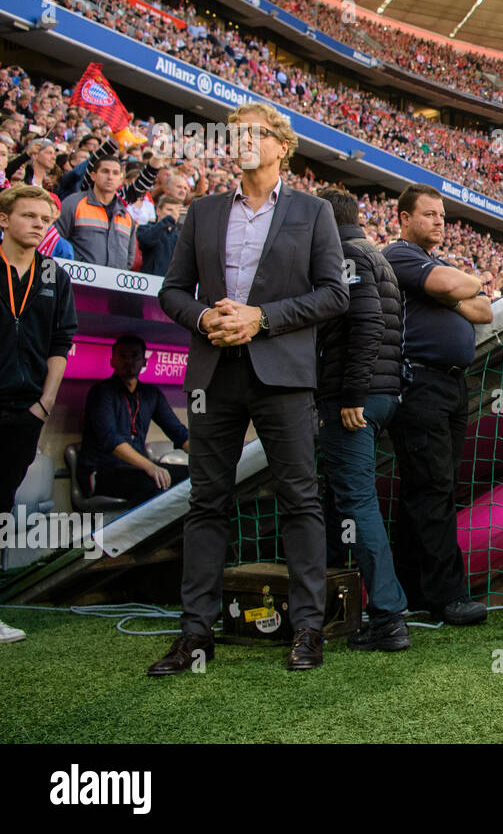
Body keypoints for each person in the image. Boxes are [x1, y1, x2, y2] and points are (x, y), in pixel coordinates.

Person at [151, 103, 347, 675]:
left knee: (300, 498)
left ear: (282, 146)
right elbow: (172, 291)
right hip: (214, 372)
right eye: (234, 135)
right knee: (206, 501)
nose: (242, 142)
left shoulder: (313, 213)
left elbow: (334, 295)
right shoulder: (205, 211)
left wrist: (262, 318)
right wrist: (201, 319)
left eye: (254, 134)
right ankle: (195, 633)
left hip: (281, 373)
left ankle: (308, 629)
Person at [383, 184, 491, 626]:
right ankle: (448, 597)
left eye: (442, 216)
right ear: (404, 218)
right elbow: (462, 286)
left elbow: (484, 310)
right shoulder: (398, 254)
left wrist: (455, 292)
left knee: (429, 489)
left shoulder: (434, 263)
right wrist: (458, 289)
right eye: (429, 215)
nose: (439, 222)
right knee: (432, 489)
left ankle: (413, 590)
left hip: (449, 384)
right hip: (419, 382)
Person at [315, 188, 410, 653]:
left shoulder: (347, 256)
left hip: (356, 398)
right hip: (382, 393)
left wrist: (352, 392)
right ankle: (334, 602)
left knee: (357, 500)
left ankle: (389, 618)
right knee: (341, 497)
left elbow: (368, 324)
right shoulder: (375, 256)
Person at [0, 184, 76, 646]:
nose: (36, 224)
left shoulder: (54, 275)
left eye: (44, 219)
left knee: (1, 506)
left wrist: (45, 402)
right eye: (27, 215)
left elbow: (61, 343)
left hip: (24, 412)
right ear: (4, 220)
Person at [79, 334, 189, 505]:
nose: (128, 361)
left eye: (135, 356)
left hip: (135, 470)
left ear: (144, 362)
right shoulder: (101, 392)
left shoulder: (151, 394)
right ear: (112, 361)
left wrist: (206, 460)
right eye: (122, 356)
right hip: (102, 472)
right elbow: (111, 440)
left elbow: (178, 433)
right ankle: (138, 531)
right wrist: (150, 466)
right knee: (154, 484)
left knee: (193, 477)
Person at [55, 155, 137, 268]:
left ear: (121, 180)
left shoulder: (126, 216)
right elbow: (55, 242)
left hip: (113, 284)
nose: (110, 177)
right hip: (76, 281)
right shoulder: (73, 204)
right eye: (105, 171)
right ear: (93, 176)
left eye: (115, 173)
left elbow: (129, 258)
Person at [137, 195, 182, 276]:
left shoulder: (180, 237)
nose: (173, 214)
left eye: (176, 211)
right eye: (169, 210)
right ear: (158, 211)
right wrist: (165, 223)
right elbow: (147, 241)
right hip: (149, 281)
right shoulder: (145, 228)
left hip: (169, 284)